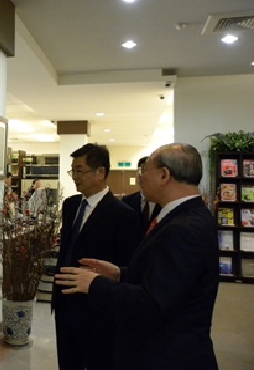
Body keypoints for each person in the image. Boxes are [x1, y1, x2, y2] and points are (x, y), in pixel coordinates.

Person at [56, 143, 219, 370]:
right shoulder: (180, 217)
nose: (140, 178)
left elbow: (153, 302)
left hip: (169, 354)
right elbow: (164, 278)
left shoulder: (184, 227)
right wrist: (120, 273)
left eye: (144, 172)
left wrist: (95, 284)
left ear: (164, 175)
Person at [52, 143, 140, 370]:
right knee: (67, 361)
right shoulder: (70, 205)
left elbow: (126, 266)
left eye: (80, 171)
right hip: (64, 301)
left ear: (100, 172)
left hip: (97, 307)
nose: (75, 177)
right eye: (73, 171)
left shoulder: (123, 215)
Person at [122, 156, 162, 239]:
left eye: (146, 171)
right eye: (140, 170)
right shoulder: (127, 201)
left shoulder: (163, 202)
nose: (142, 175)